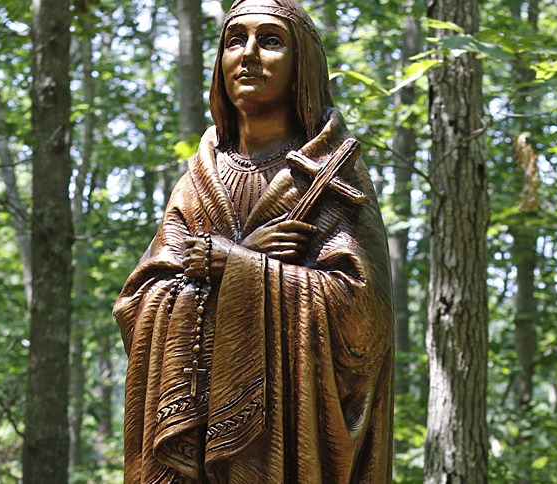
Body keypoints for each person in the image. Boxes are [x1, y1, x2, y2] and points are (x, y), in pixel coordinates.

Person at [113, 0, 393, 482]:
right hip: (194, 437)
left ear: (302, 63)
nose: (247, 54)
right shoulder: (198, 180)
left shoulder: (331, 177)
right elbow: (138, 305)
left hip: (287, 435)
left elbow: (363, 321)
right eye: (234, 40)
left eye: (270, 41)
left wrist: (242, 268)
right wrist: (243, 263)